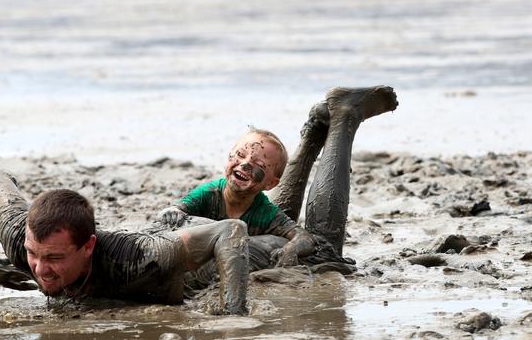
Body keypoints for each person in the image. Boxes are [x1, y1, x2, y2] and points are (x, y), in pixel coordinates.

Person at [158, 86, 398, 275]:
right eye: (239, 156)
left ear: (271, 183)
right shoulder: (210, 193)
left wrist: (292, 248)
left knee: (322, 249)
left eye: (259, 166)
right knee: (318, 249)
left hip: (255, 242)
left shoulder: (264, 209)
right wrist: (173, 212)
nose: (244, 164)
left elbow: (303, 237)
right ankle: (319, 127)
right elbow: (178, 210)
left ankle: (343, 117)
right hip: (231, 250)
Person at [0, 171, 250, 314]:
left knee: (276, 247)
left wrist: (232, 315)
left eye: (55, 258)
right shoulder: (19, 237)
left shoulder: (135, 259)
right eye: (33, 254)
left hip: (204, 261)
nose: (39, 269)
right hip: (160, 235)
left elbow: (231, 231)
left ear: (88, 247)